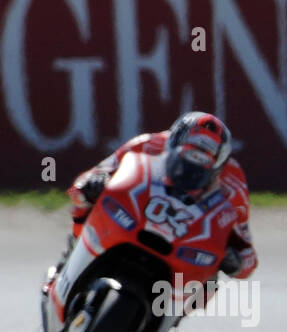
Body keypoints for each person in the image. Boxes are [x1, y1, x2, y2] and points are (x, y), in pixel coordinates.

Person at [43, 111, 257, 296]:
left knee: (209, 283)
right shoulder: (147, 144)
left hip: (186, 243)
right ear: (171, 142)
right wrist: (94, 183)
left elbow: (247, 252)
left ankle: (162, 326)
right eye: (186, 156)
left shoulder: (233, 185)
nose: (190, 171)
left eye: (203, 163)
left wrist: (235, 261)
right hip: (134, 218)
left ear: (219, 165)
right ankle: (70, 258)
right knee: (88, 201)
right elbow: (88, 179)